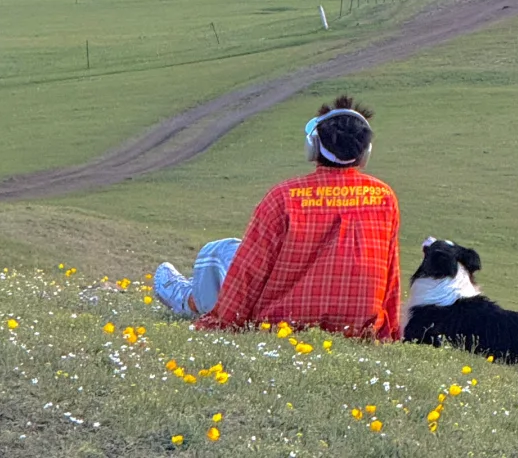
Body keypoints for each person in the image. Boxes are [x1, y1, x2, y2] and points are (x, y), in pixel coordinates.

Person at [153, 96, 401, 339]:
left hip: (282, 326)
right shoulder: (384, 197)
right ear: (365, 152)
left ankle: (186, 298)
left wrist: (220, 323)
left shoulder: (283, 197)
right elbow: (391, 279)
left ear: (313, 145)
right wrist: (387, 334)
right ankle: (189, 295)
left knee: (220, 251)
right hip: (357, 331)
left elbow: (247, 274)